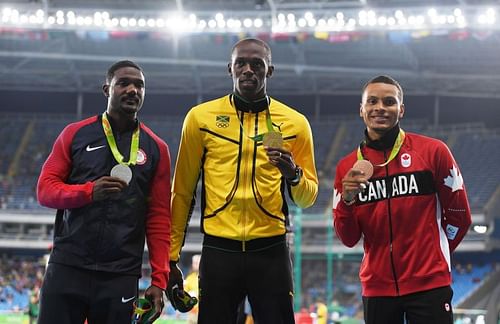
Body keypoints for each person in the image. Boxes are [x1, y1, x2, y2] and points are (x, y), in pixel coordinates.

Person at [168, 38, 318, 323]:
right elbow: (183, 192)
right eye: (241, 63)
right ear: (230, 69)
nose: (249, 70)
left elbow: (306, 198)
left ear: (269, 71)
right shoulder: (200, 119)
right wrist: (171, 258)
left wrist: (293, 174)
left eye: (257, 64)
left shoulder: (295, 123)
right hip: (218, 251)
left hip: (271, 251)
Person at [36, 60, 171, 324]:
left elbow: (159, 218)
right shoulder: (75, 134)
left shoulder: (156, 148)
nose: (133, 90)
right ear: (106, 89)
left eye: (139, 85)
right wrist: (88, 192)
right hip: (68, 266)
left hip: (120, 274)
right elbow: (45, 190)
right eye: (124, 83)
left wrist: (159, 279)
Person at [332, 75, 472, 324]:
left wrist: (434, 257)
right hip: (377, 289)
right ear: (361, 110)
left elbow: (460, 217)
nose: (380, 108)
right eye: (372, 101)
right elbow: (348, 238)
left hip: (430, 285)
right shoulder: (347, 168)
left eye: (389, 102)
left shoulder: (433, 152)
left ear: (401, 109)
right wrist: (348, 201)